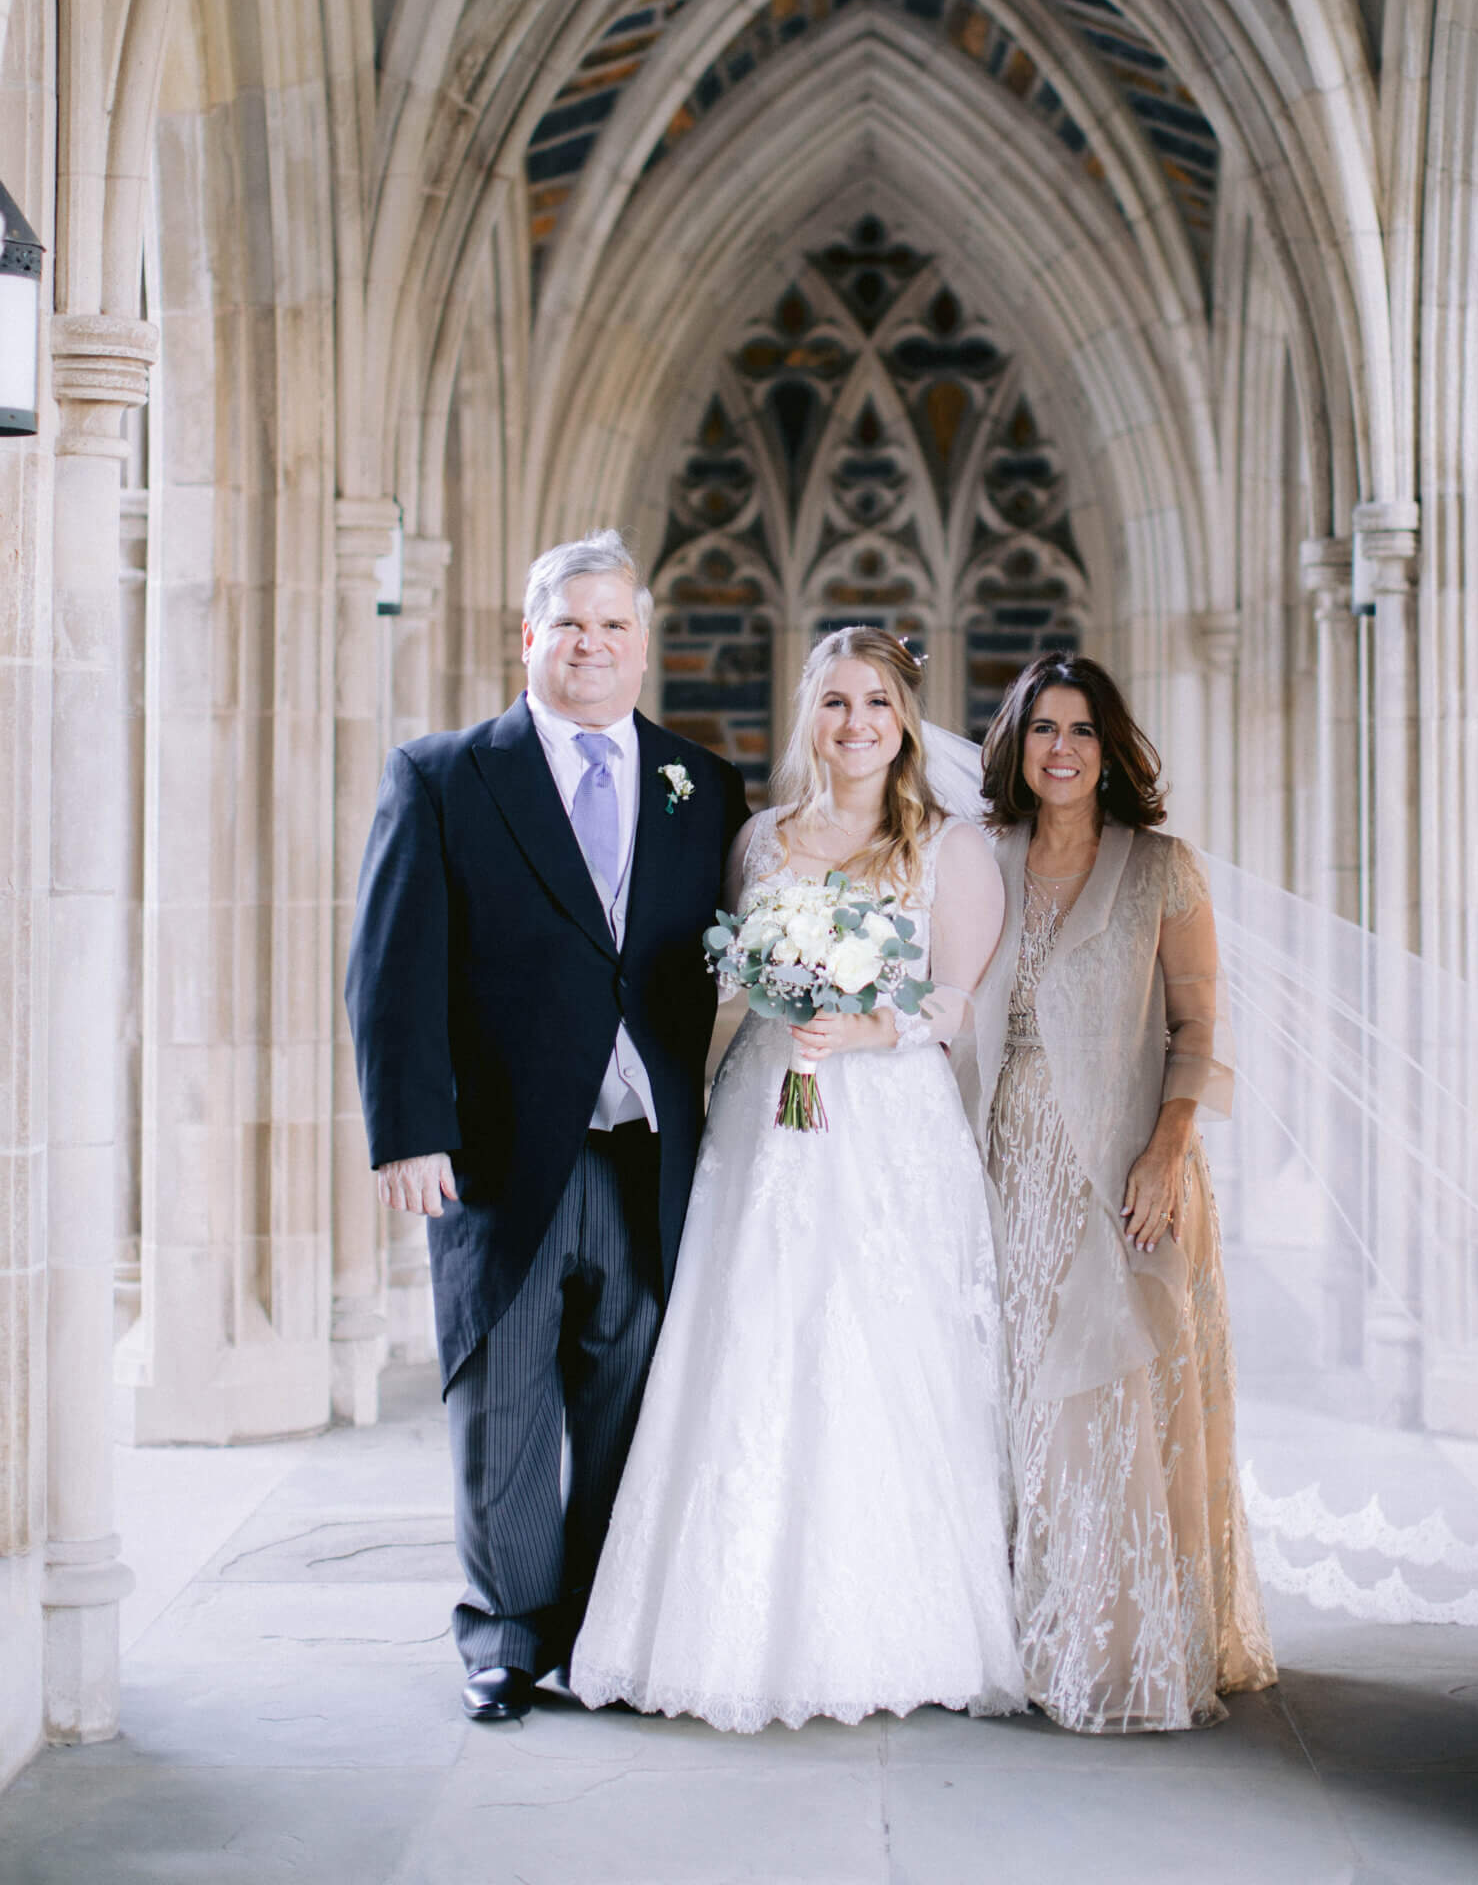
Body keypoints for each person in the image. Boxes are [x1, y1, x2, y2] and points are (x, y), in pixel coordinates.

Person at [571, 629, 1025, 1730]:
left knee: (880, 1350)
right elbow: (727, 980)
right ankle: (714, 1626)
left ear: (907, 720)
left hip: (888, 1127)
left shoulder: (950, 848)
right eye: (834, 701)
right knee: (752, 1341)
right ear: (806, 715)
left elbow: (955, 1004)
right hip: (765, 1120)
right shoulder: (761, 840)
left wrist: (868, 1027)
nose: (856, 722)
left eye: (877, 701)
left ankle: (894, 1623)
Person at [344, 529, 749, 1723]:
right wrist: (407, 1132)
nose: (592, 644)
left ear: (642, 641)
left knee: (631, 1389)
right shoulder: (444, 776)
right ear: (529, 636)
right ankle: (506, 1638)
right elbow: (391, 970)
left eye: (614, 625)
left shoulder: (700, 783)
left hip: (646, 1152)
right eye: (570, 623)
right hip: (503, 1155)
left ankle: (603, 1628)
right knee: (504, 1398)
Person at [967, 653, 1275, 1732]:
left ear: (1111, 748)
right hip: (1005, 1163)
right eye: (1044, 728)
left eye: (1083, 730)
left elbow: (1197, 1031)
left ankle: (1117, 1648)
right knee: (1017, 1406)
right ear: (1017, 744)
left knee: (1111, 1407)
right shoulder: (978, 861)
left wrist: (1165, 1150)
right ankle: (1022, 1633)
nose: (1062, 749)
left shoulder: (1161, 869)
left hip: (1125, 1165)